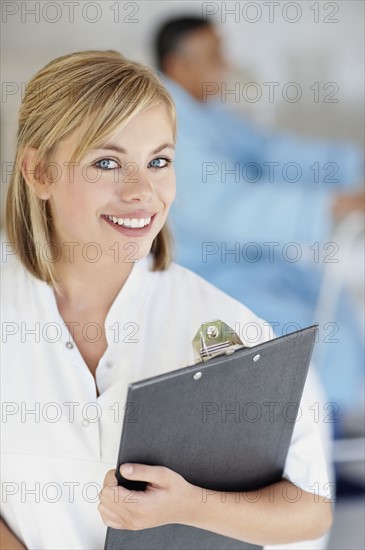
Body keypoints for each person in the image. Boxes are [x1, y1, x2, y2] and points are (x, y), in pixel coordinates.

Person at [1, 50, 332, 550]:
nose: (142, 191)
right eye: (107, 162)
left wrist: (189, 505)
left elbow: (310, 510)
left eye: (159, 161)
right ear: (38, 172)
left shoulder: (232, 329)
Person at [153, 16, 365, 420]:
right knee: (298, 339)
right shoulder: (168, 125)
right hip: (208, 276)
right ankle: (294, 461)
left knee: (332, 319)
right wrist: (334, 204)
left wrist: (350, 163)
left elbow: (271, 154)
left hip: (252, 267)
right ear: (179, 66)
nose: (226, 65)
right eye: (214, 56)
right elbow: (227, 208)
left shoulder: (210, 115)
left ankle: (323, 452)